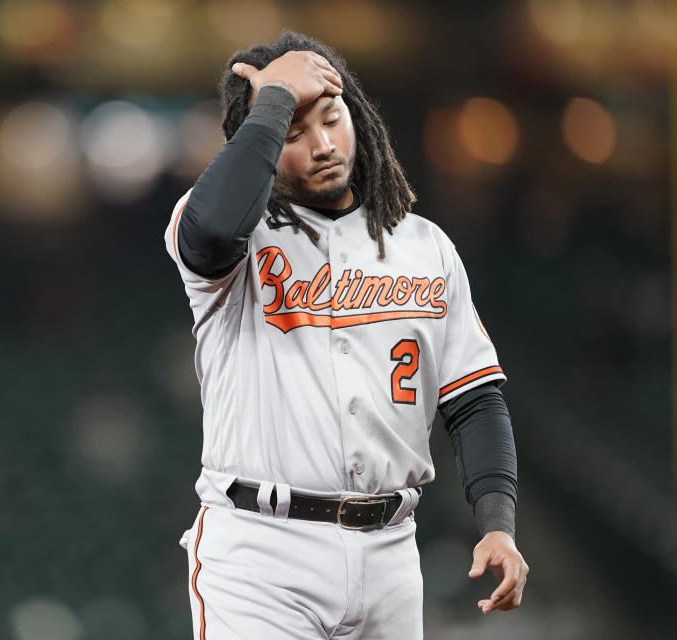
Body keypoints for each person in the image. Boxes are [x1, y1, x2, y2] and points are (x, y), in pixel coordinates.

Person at [163, 31, 528, 640]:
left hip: (390, 552)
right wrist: (274, 95)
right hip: (261, 551)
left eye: (333, 118)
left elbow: (474, 398)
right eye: (293, 133)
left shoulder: (424, 245)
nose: (324, 145)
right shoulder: (235, 236)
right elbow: (215, 221)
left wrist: (497, 521)